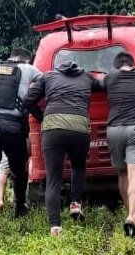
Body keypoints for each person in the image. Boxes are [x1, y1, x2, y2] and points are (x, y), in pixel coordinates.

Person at [23, 60, 97, 236]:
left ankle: (55, 226)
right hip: (79, 127)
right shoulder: (87, 77)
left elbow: (27, 100)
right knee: (78, 166)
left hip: (52, 129)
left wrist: (43, 117)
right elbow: (103, 84)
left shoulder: (47, 77)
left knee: (53, 177)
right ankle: (75, 204)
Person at [0, 47, 41, 232]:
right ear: (26, 61)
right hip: (12, 126)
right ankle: (19, 206)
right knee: (18, 168)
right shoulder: (29, 69)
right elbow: (45, 81)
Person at [98, 51, 135, 236]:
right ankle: (131, 215)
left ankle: (131, 213)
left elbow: (98, 83)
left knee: (122, 174)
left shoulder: (110, 76)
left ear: (116, 66)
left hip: (114, 130)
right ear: (132, 63)